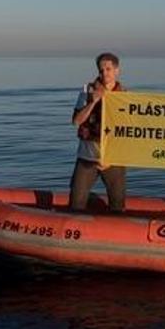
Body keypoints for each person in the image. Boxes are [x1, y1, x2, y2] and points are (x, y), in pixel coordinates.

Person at [69, 52, 127, 212]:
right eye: (101, 70)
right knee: (76, 202)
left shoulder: (125, 96)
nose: (104, 73)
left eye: (108, 69)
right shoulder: (87, 92)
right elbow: (76, 121)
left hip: (113, 158)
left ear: (116, 71)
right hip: (88, 157)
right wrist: (93, 102)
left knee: (117, 205)